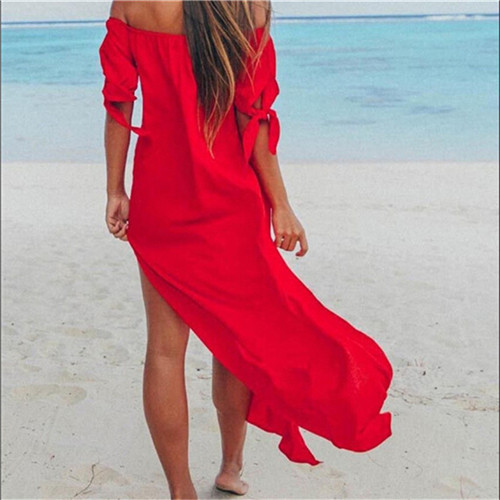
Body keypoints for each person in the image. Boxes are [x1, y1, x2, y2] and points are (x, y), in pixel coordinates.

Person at [99, 1, 394, 499]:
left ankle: (181, 492)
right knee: (235, 340)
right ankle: (231, 467)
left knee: (165, 351)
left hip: (161, 199)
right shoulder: (245, 5)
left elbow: (118, 103)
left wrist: (115, 189)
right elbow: (253, 116)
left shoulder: (131, 4)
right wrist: (281, 204)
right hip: (230, 200)